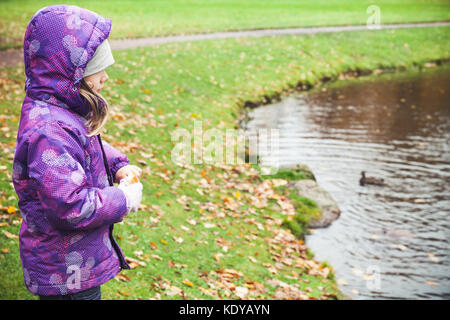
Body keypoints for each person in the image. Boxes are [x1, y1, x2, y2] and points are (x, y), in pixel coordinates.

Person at [12, 5, 143, 300]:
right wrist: (123, 199)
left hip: (75, 264)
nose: (105, 78)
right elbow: (71, 207)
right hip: (65, 274)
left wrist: (117, 164)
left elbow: (84, 145)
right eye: (99, 68)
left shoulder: (61, 113)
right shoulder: (49, 130)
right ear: (73, 72)